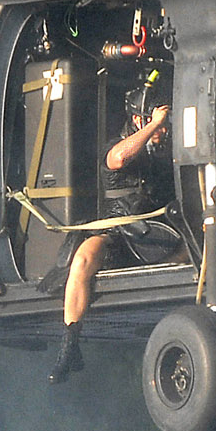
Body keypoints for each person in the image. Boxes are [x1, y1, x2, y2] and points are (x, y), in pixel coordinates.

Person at [51, 55, 180, 382]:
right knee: (83, 259)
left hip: (153, 234)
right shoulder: (117, 146)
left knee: (188, 259)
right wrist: (153, 125)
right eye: (152, 124)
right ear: (137, 120)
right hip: (117, 230)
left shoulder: (164, 152)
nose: (160, 133)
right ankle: (70, 343)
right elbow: (120, 158)